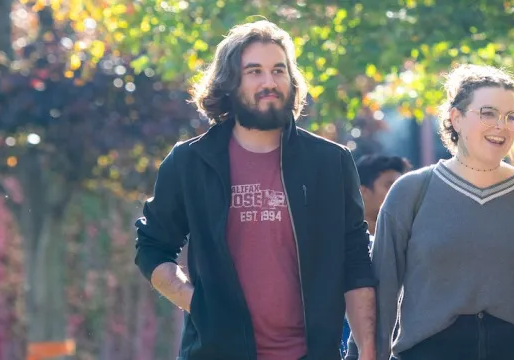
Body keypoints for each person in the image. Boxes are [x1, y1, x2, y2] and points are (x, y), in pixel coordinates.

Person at [133, 20, 377, 360]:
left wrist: (367, 349)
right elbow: (152, 247)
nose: (269, 82)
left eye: (279, 70)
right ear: (229, 83)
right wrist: (198, 304)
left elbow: (355, 257)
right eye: (254, 71)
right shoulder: (190, 162)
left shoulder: (330, 162)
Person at [370, 64, 514, 360]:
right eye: (488, 113)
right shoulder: (410, 191)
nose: (501, 125)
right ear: (456, 118)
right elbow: (380, 296)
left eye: (511, 117)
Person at [341, 153, 412, 354]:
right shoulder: (343, 245)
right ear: (363, 191)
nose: (399, 193)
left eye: (401, 185)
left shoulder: (411, 243)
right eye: (389, 185)